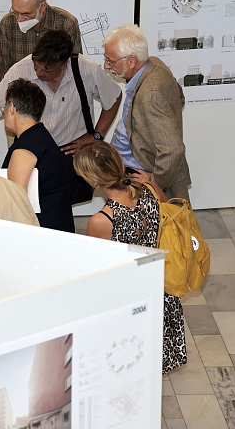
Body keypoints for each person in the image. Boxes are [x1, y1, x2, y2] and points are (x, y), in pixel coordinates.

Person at [73, 140, 187, 374]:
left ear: (94, 181)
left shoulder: (101, 221)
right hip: (161, 290)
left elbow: (98, 275)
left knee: (131, 369)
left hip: (128, 302)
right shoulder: (154, 190)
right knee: (153, 365)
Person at [0, 30, 122, 202]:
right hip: (32, 155)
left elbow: (113, 97)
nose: (38, 73)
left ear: (63, 64)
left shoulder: (87, 69)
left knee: (60, 209)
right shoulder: (19, 71)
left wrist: (97, 135)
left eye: (46, 69)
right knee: (20, 204)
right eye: (36, 66)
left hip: (70, 156)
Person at [102, 25, 191, 201]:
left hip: (140, 178)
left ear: (131, 61)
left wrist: (154, 182)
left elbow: (173, 149)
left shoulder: (151, 94)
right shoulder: (154, 63)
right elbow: (179, 97)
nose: (106, 66)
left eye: (110, 61)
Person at [1, 79, 74, 232]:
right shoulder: (41, 137)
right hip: (57, 228)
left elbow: (16, 201)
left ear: (12, 108)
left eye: (5, 107)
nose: (4, 112)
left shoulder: (26, 147)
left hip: (43, 233)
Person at [0, 0, 82, 80]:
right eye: (15, 12)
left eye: (26, 14)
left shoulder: (67, 24)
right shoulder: (8, 24)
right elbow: (5, 72)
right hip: (22, 92)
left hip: (57, 91)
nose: (19, 19)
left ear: (42, 6)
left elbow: (75, 70)